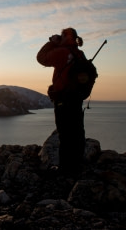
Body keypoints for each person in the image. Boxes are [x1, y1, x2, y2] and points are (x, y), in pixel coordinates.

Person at [37, 27, 86, 175]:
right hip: (77, 100)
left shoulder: (62, 52)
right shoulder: (79, 53)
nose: (60, 36)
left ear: (68, 37)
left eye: (63, 35)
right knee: (77, 133)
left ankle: (65, 170)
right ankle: (77, 166)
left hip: (63, 100)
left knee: (65, 134)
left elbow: (41, 58)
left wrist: (52, 42)